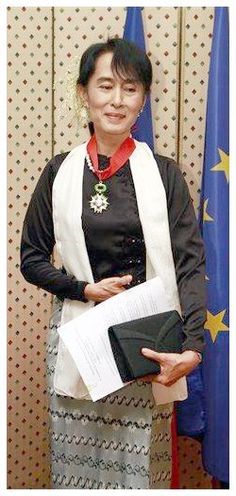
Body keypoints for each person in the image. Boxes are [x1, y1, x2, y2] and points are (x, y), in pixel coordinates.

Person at [20, 37, 206, 489]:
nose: (117, 99)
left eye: (130, 88)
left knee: (138, 475)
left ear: (142, 100)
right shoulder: (58, 171)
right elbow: (31, 259)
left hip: (144, 345)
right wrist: (84, 289)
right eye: (105, 86)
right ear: (84, 92)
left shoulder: (164, 174)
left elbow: (189, 262)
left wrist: (194, 346)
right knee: (76, 472)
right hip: (76, 346)